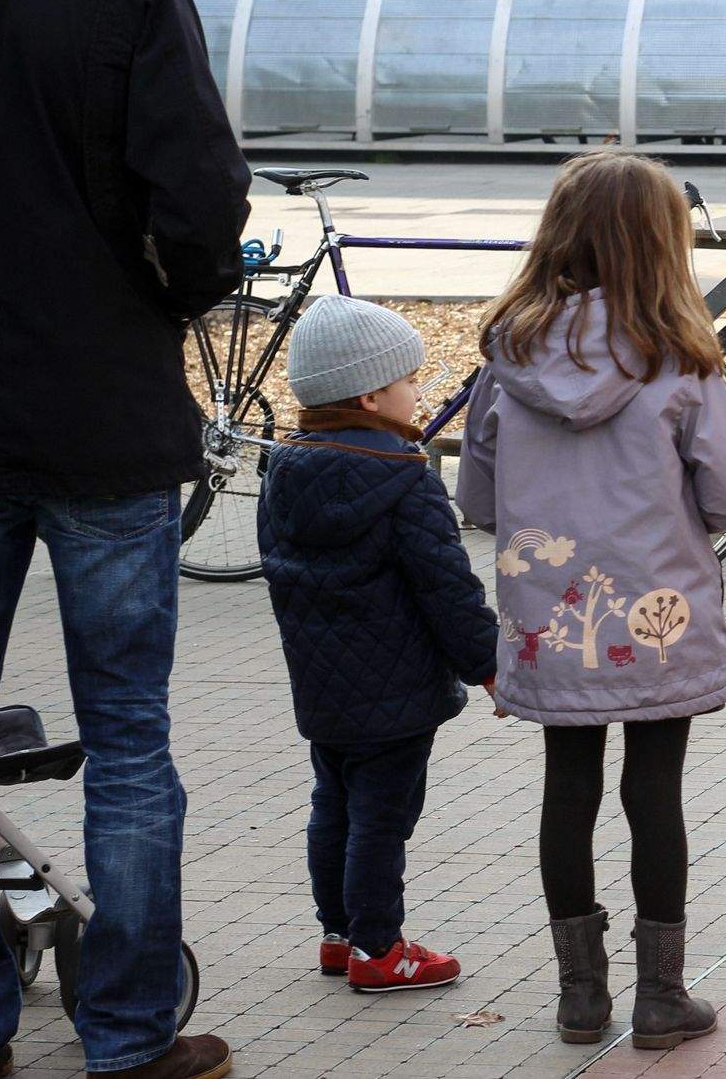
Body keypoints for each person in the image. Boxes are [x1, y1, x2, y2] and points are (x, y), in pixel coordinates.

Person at [0, 0, 247, 1079]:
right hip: (103, 420)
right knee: (131, 745)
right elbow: (204, 207)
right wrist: (171, 299)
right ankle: (130, 1040)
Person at [457, 152, 726, 1051]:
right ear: (661, 244)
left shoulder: (507, 358)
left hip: (550, 612)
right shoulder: (680, 360)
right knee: (654, 789)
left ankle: (579, 995)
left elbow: (477, 497)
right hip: (654, 613)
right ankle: (662, 998)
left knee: (568, 786)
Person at [259, 297, 499, 994]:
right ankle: (379, 946)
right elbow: (447, 588)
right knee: (382, 820)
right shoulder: (405, 481)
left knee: (331, 804)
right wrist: (488, 667)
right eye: (409, 381)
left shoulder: (281, 472)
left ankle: (338, 933)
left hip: (321, 686)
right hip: (395, 696)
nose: (419, 393)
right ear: (371, 393)